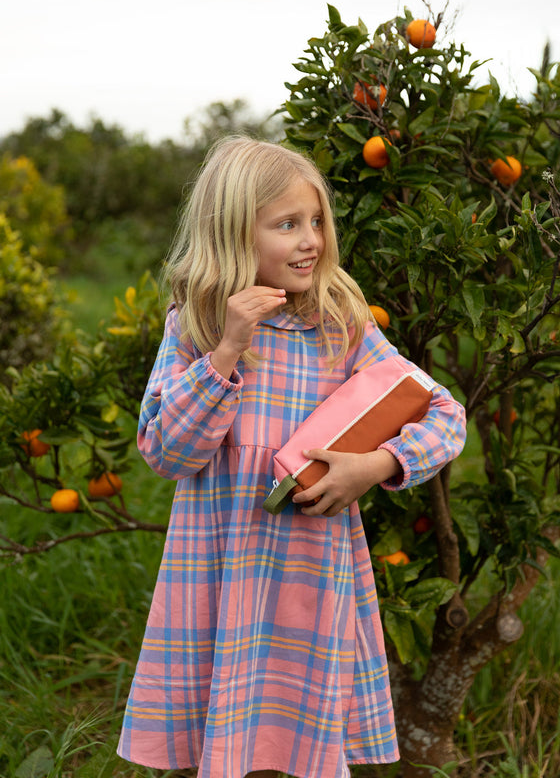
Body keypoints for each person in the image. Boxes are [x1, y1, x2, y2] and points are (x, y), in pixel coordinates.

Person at [117, 136, 466, 778]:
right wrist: (225, 353)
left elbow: (445, 413)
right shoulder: (193, 327)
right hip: (218, 569)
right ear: (232, 234)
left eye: (316, 222)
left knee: (302, 736)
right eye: (287, 225)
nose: (310, 240)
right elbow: (166, 451)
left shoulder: (342, 326)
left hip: (310, 566)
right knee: (224, 737)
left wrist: (379, 465)